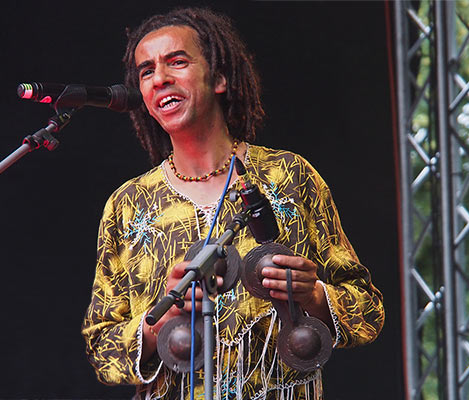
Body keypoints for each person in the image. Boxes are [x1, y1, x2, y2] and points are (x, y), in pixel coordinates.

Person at [82, 7, 384, 400]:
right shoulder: (128, 204)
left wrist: (312, 296)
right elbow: (101, 347)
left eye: (177, 62)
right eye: (146, 71)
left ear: (220, 78)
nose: (160, 78)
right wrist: (165, 318)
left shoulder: (288, 176)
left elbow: (368, 311)